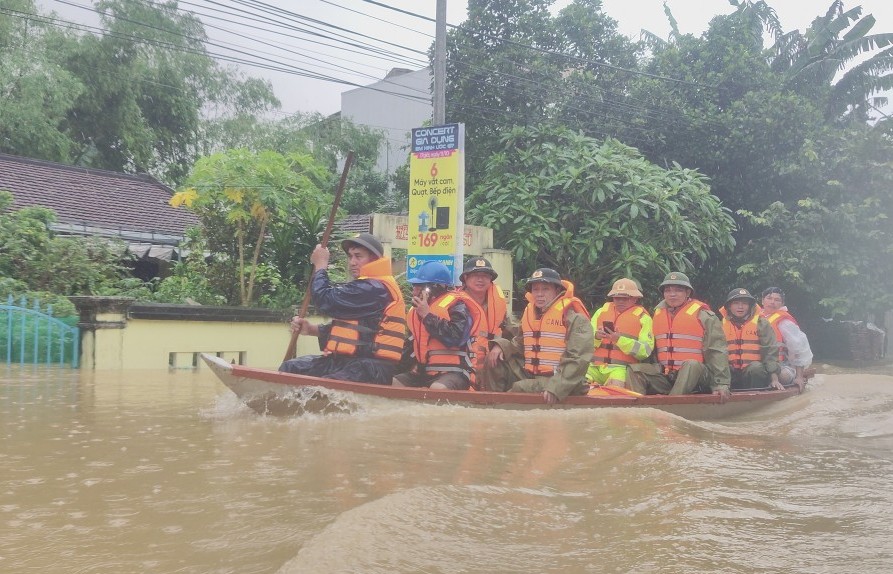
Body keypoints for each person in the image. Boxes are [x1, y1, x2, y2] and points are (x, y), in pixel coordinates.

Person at [278, 232, 406, 385]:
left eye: (358, 256)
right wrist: (313, 329)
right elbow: (358, 329)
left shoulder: (375, 288)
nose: (352, 262)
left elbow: (324, 299)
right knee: (290, 368)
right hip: (345, 362)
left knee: (322, 388)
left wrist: (320, 265)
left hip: (370, 367)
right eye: (350, 256)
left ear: (374, 259)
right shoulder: (364, 286)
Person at [488, 268, 594, 404]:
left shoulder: (575, 318)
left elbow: (578, 358)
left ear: (557, 290)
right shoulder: (530, 314)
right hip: (532, 374)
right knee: (493, 361)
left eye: (545, 289)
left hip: (563, 380)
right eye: (536, 289)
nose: (539, 294)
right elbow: (520, 344)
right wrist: (500, 346)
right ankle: (491, 401)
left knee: (520, 387)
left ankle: (499, 407)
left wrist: (556, 387)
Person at [629, 272, 731, 401]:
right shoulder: (657, 314)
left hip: (698, 376)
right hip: (667, 374)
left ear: (687, 293)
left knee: (691, 365)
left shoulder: (705, 315)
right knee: (635, 370)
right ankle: (637, 409)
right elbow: (651, 349)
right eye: (668, 290)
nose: (672, 294)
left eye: (678, 290)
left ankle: (672, 406)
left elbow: (717, 350)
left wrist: (721, 383)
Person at [393, 261, 482, 390]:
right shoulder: (415, 312)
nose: (414, 292)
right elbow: (410, 347)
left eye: (419, 287)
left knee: (437, 389)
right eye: (414, 287)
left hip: (455, 373)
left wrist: (428, 316)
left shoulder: (458, 305)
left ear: (433, 288)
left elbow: (455, 338)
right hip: (424, 372)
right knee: (392, 382)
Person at [457, 257, 515, 390]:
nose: (480, 280)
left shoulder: (497, 304)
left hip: (491, 363)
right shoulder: (456, 304)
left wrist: (500, 346)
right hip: (461, 362)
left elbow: (511, 333)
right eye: (475, 275)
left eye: (485, 276)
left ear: (490, 280)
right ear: (465, 278)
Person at [586, 278, 654, 392]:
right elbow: (584, 342)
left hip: (621, 369)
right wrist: (596, 336)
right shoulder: (600, 312)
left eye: (625, 298)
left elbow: (645, 351)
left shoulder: (644, 318)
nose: (620, 301)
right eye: (617, 298)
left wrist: (619, 339)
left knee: (615, 392)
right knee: (576, 382)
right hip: (594, 367)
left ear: (635, 298)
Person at [721, 288, 782, 391]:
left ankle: (756, 395)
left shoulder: (761, 323)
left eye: (744, 303)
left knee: (756, 367)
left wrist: (774, 379)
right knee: (722, 368)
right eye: (736, 303)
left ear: (750, 306)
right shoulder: (720, 325)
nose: (740, 307)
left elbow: (770, 352)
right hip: (730, 375)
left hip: (755, 374)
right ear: (729, 306)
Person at [760, 287, 813, 391]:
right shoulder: (754, 317)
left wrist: (799, 377)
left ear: (782, 303)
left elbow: (799, 349)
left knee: (783, 376)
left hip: (781, 365)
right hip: (758, 364)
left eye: (777, 300)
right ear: (762, 300)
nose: (772, 302)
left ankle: (791, 376)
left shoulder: (784, 322)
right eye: (769, 298)